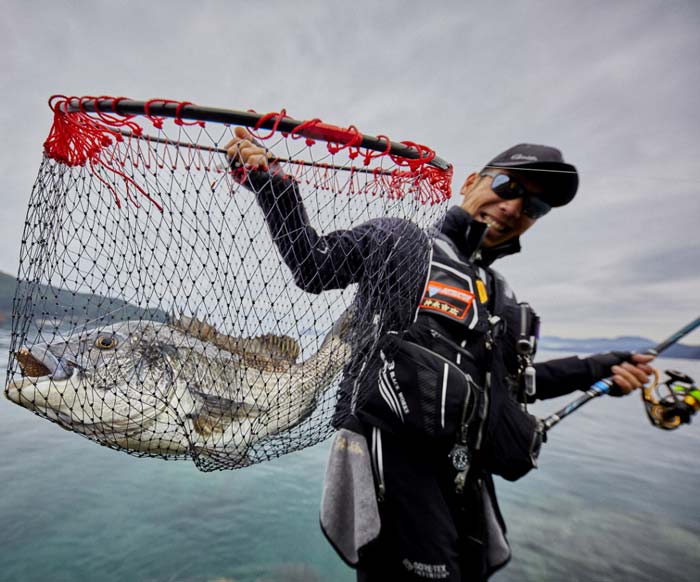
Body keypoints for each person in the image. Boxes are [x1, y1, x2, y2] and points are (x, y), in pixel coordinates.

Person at [226, 128, 655, 581]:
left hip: (467, 478)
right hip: (395, 461)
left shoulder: (501, 297)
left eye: (533, 207)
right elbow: (312, 264)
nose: (513, 208)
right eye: (508, 187)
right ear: (471, 181)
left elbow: (511, 388)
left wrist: (600, 369)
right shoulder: (401, 242)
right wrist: (271, 183)